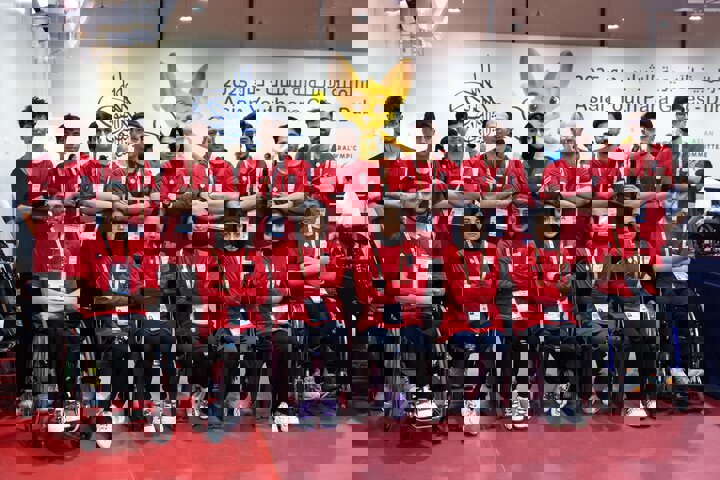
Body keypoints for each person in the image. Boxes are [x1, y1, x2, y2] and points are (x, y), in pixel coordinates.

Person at [442, 204, 503, 434]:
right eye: (468, 223)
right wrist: (481, 287)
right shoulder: (452, 254)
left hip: (489, 320)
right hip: (460, 321)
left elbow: (493, 290)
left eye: (477, 223)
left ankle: (500, 400)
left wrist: (475, 288)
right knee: (472, 351)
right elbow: (459, 295)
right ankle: (471, 406)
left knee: (498, 347)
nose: (473, 227)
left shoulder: (491, 252)